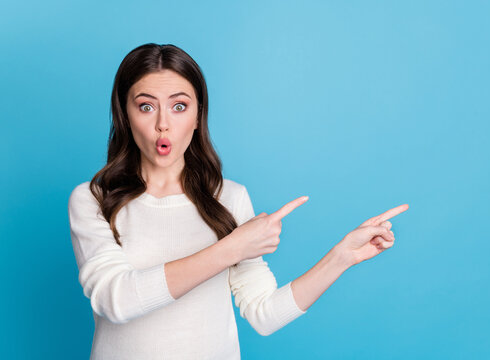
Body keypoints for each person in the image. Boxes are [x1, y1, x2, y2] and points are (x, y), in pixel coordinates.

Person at [67, 43, 409, 359]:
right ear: (125, 115)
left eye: (179, 106)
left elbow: (264, 313)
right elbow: (118, 300)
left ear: (198, 115)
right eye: (145, 106)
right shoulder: (93, 200)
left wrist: (341, 257)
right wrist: (231, 249)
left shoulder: (230, 198)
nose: (162, 124)